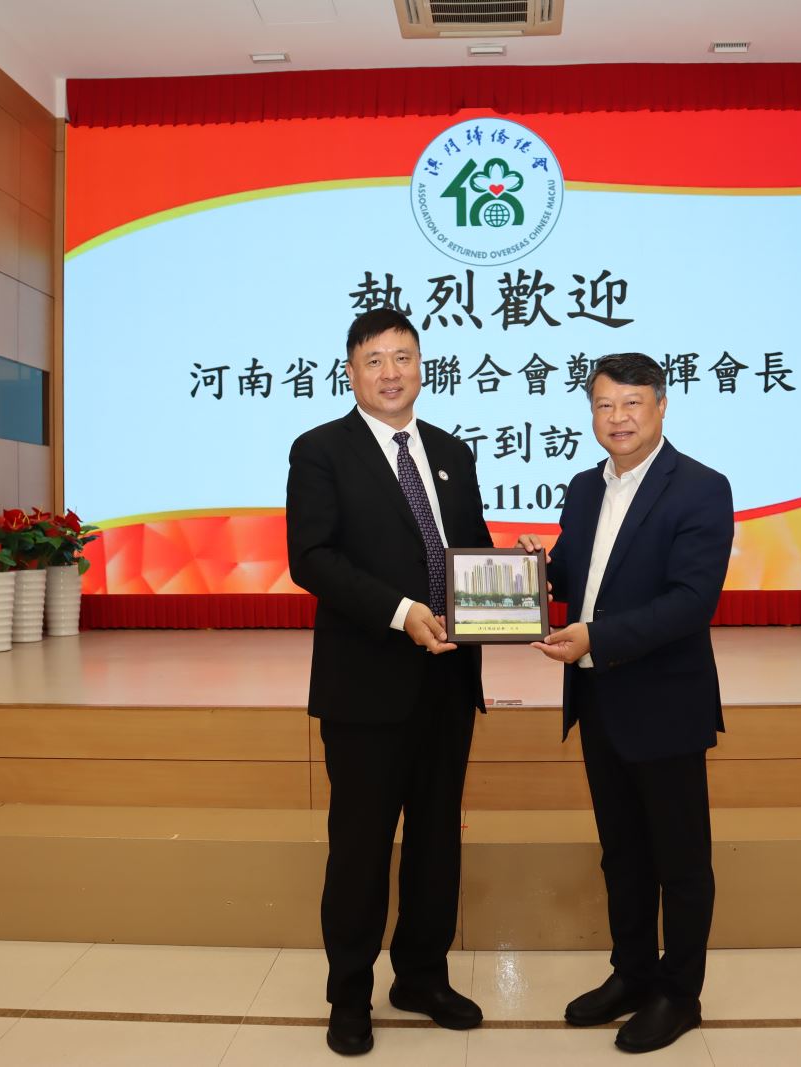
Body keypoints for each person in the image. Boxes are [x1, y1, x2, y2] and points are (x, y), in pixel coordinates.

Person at [286, 307, 492, 1056]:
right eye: (375, 359)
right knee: (362, 847)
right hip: (367, 686)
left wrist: (513, 587)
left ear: (421, 366)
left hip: (448, 682)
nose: (391, 371)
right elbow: (312, 557)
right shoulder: (320, 451)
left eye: (403, 356)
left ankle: (422, 977)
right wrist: (402, 612)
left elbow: (472, 551)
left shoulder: (452, 451)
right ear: (351, 372)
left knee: (437, 840)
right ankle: (350, 994)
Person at [518, 352, 734, 1054]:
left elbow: (691, 601)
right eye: (605, 405)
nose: (618, 418)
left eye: (632, 403)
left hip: (664, 702)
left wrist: (597, 637)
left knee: (680, 860)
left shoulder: (700, 487)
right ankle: (632, 973)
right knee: (621, 853)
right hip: (598, 697)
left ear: (662, 406)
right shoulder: (585, 487)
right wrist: (533, 569)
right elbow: (576, 573)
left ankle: (680, 993)